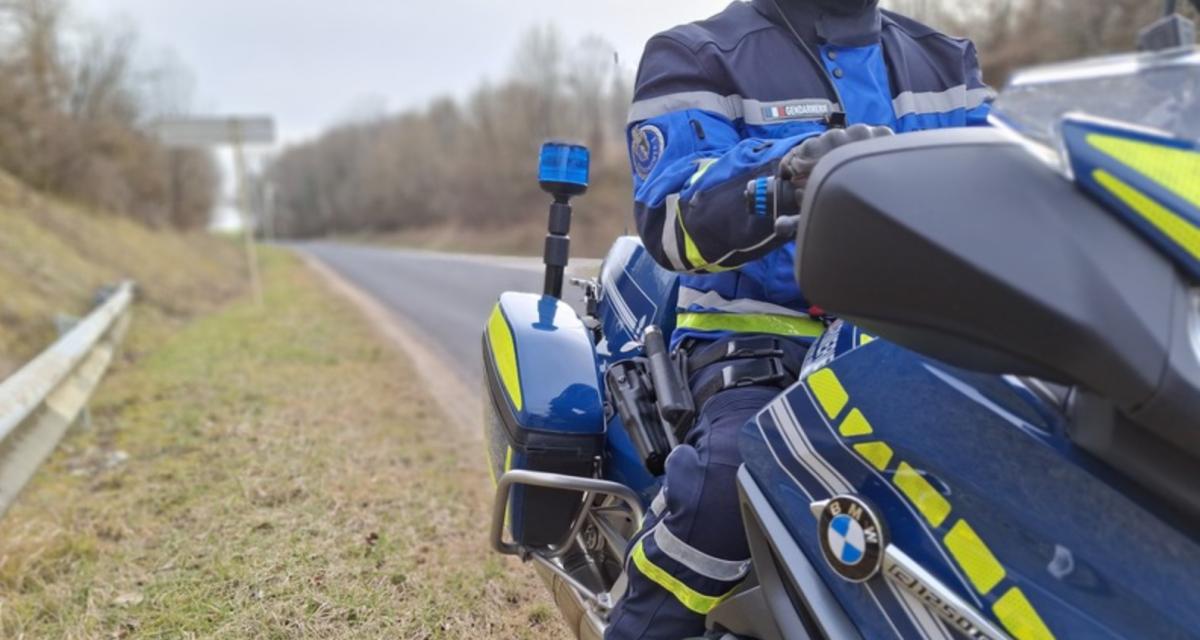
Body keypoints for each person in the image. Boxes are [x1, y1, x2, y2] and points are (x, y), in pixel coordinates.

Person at [609, 0, 991, 637]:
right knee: (732, 483)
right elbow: (670, 216)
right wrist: (784, 172)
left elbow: (1012, 190)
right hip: (760, 345)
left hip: (915, 345)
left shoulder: (944, 59)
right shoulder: (698, 54)